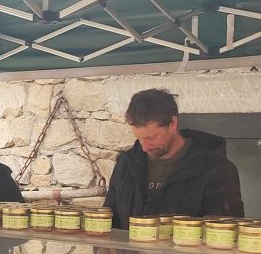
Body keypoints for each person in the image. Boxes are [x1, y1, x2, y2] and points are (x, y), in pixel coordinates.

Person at [104, 88, 244, 229]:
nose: (145, 147)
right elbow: (107, 222)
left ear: (172, 124)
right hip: (130, 251)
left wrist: (158, 251)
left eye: (151, 138)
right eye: (139, 138)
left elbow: (225, 235)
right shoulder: (126, 164)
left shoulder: (217, 169)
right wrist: (105, 250)